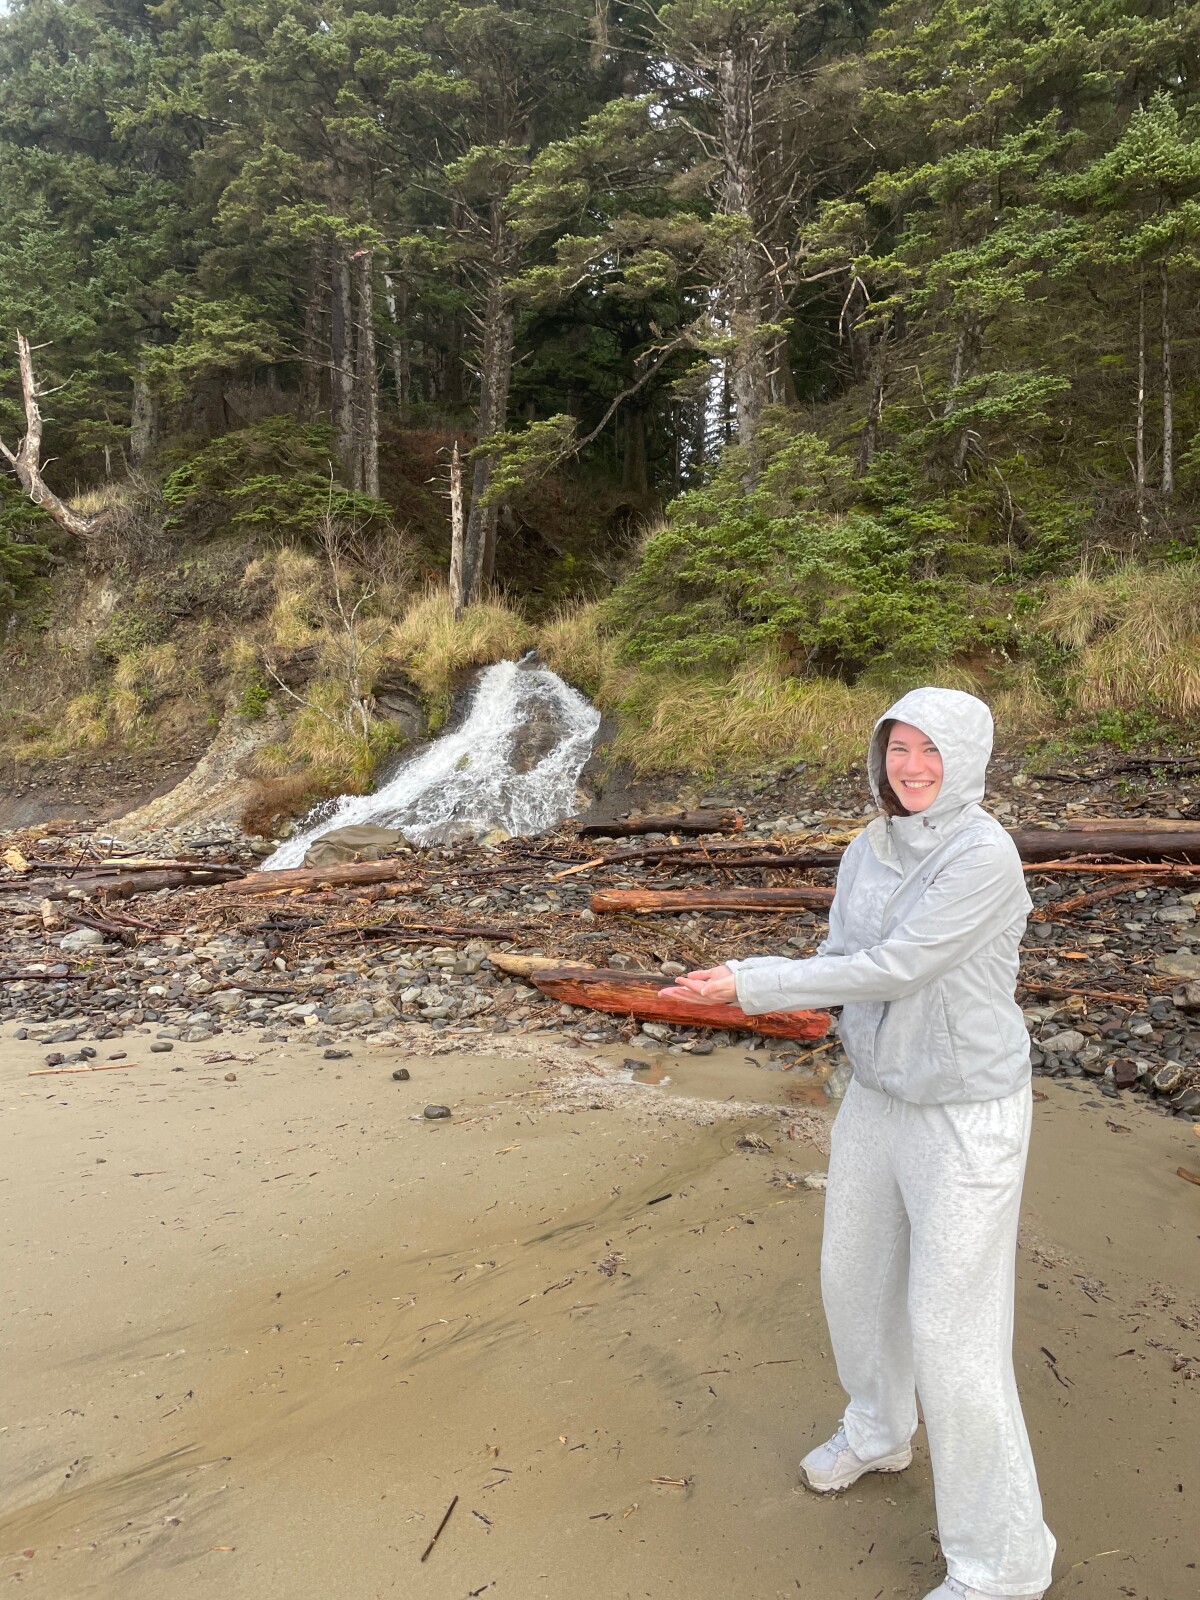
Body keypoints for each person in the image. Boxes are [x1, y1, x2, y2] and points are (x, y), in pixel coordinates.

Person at [662, 687, 1056, 1600]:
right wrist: (760, 982)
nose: (912, 767)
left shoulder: (985, 854)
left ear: (967, 757)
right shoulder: (868, 846)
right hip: (878, 1096)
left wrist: (750, 982)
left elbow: (897, 967)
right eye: (898, 748)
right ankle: (879, 1431)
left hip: (964, 1111)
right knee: (855, 1279)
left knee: (954, 1335)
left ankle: (1003, 1565)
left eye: (931, 750)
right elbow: (842, 956)